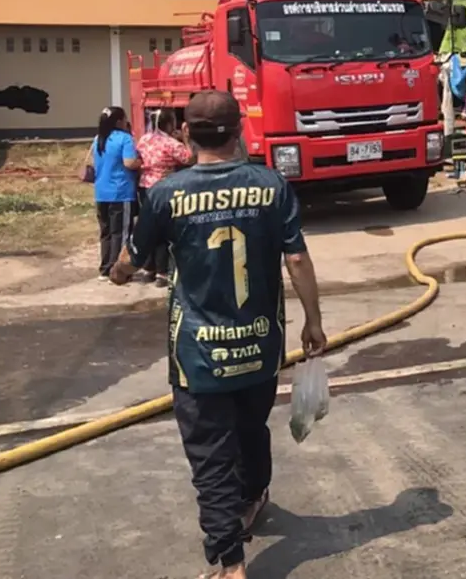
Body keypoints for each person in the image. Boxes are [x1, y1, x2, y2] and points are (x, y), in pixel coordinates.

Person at [112, 91, 327, 579]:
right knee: (252, 431)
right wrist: (313, 322)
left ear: (186, 134)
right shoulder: (272, 186)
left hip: (199, 356)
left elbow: (133, 257)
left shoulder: (169, 193)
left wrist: (118, 272)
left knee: (211, 456)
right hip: (259, 348)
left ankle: (230, 562)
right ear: (240, 132)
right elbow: (296, 258)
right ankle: (253, 497)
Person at [134, 109, 194, 285]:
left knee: (147, 226)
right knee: (164, 229)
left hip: (145, 186)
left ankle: (147, 268)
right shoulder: (171, 143)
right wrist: (185, 138)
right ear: (169, 124)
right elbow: (188, 158)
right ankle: (162, 272)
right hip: (165, 188)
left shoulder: (144, 139)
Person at [93, 105, 141, 280]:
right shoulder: (124, 139)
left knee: (105, 232)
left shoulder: (99, 139)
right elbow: (129, 163)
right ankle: (118, 271)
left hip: (101, 192)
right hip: (120, 192)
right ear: (120, 121)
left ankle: (105, 268)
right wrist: (141, 163)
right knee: (121, 233)